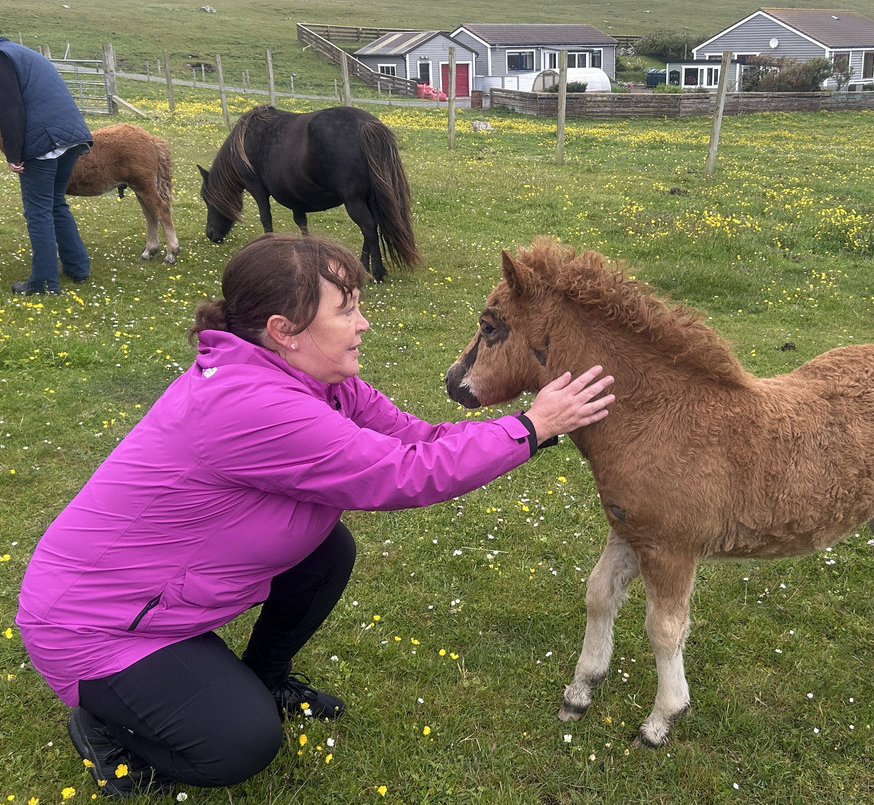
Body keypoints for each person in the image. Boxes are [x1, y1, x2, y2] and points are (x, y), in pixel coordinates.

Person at [16, 233, 614, 797]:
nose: (364, 323)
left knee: (327, 551)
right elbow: (400, 474)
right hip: (97, 625)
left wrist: (525, 429)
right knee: (240, 745)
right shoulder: (256, 406)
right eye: (346, 309)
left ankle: (264, 676)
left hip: (155, 595)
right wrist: (531, 428)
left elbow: (418, 440)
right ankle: (105, 731)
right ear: (285, 330)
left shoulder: (317, 381)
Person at [0, 34, 93, 295]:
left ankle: (43, 283)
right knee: (55, 203)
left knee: (38, 210)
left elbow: (9, 108)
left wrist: (13, 153)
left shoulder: (2, 57)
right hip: (72, 136)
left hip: (45, 139)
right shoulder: (20, 52)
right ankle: (78, 268)